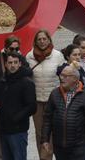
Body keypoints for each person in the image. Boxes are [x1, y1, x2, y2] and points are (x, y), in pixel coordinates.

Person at [40, 63, 85, 160]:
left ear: (75, 79)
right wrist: (45, 139)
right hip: (60, 146)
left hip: (80, 147)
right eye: (61, 75)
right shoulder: (54, 94)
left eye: (65, 76)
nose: (62, 78)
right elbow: (47, 119)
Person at [26, 29, 65, 160]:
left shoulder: (57, 55)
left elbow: (63, 77)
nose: (42, 42)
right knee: (40, 133)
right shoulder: (29, 56)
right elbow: (28, 79)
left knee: (54, 131)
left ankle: (55, 155)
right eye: (39, 39)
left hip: (53, 101)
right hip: (37, 101)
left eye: (44, 39)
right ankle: (44, 158)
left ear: (49, 39)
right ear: (35, 41)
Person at [0, 53, 38, 160]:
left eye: (15, 62)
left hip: (18, 130)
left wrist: (16, 118)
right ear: (5, 64)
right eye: (10, 63)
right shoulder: (2, 81)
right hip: (3, 128)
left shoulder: (27, 83)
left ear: (20, 64)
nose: (12, 65)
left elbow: (32, 107)